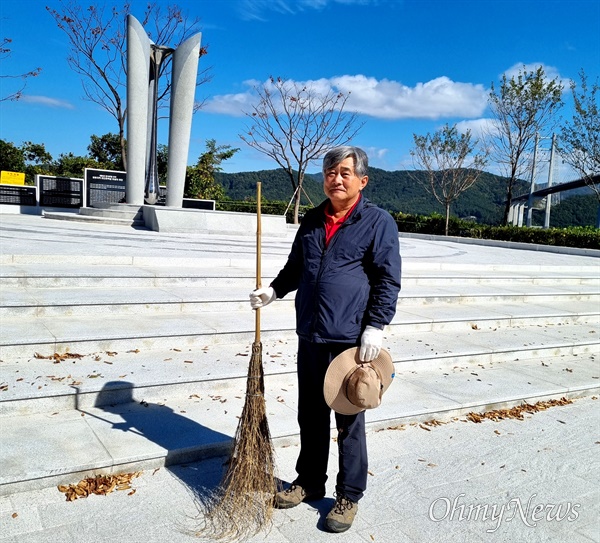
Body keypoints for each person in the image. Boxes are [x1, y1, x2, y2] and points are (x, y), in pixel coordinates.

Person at [250, 145, 401, 533]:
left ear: (362, 180)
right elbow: (296, 267)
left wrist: (376, 326)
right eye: (330, 172)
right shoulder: (314, 219)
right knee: (310, 413)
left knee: (349, 420)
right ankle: (310, 481)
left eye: (345, 173)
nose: (336, 178)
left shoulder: (378, 222)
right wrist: (274, 291)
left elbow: (387, 279)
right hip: (312, 334)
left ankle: (349, 494)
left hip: (351, 340)